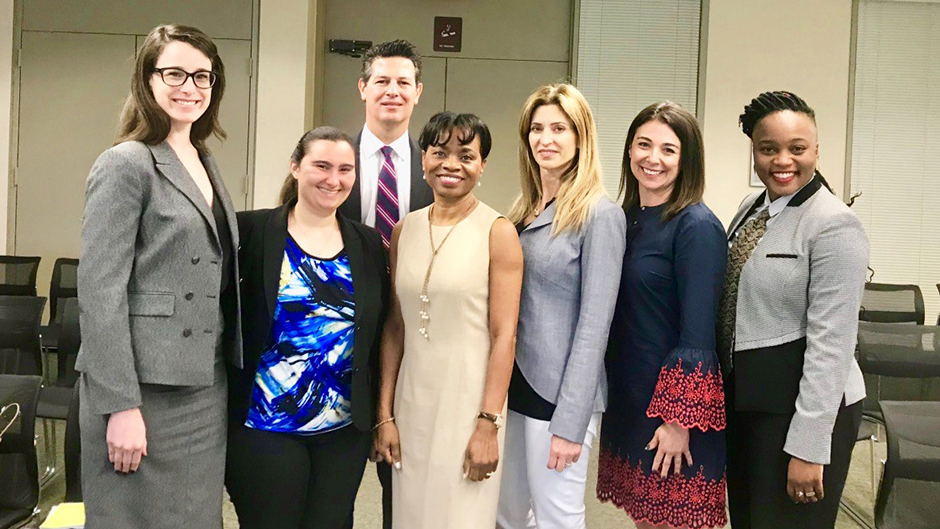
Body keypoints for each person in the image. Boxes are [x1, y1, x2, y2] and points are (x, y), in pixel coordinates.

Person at [76, 24, 241, 528]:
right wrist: (120, 405)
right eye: (174, 73)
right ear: (147, 79)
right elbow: (100, 293)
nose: (189, 87)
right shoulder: (126, 163)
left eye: (202, 77)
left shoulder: (203, 159)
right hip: (142, 391)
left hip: (203, 386)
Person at [224, 127, 389, 528]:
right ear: (296, 167)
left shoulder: (368, 244)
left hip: (343, 431)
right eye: (322, 165)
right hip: (263, 426)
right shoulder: (251, 232)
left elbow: (378, 332)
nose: (333, 179)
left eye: (345, 169)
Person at [721, 91, 868, 528]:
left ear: (816, 151)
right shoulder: (752, 208)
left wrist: (808, 446)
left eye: (797, 148)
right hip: (752, 404)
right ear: (754, 152)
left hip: (803, 410)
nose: (782, 160)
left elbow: (832, 345)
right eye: (769, 149)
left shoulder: (834, 224)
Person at [373, 111, 523, 529]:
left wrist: (488, 424)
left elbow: (504, 335)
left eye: (466, 155)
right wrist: (385, 414)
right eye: (440, 152)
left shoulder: (498, 232)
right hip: (411, 404)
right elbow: (395, 327)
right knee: (409, 517)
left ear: (482, 165)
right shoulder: (405, 230)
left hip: (469, 406)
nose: (451, 164)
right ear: (423, 160)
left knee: (461, 517)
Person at [496, 83, 626, 529]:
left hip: (558, 397)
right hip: (510, 386)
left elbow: (595, 324)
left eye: (559, 128)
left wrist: (571, 421)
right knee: (506, 513)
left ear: (581, 137)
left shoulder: (600, 214)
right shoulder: (523, 209)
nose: (545, 139)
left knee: (557, 518)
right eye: (536, 128)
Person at [596, 102, 728, 529]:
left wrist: (678, 421)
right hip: (630, 399)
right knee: (645, 520)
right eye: (643, 145)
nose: (653, 158)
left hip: (671, 412)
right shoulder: (628, 217)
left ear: (686, 159)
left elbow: (698, 334)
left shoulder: (696, 226)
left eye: (668, 150)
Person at [337, 39, 433, 528]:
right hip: (338, 353)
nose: (392, 91)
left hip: (413, 347)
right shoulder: (331, 163)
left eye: (403, 82)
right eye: (381, 81)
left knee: (406, 495)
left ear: (418, 92)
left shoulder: (438, 170)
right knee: (333, 493)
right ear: (362, 88)